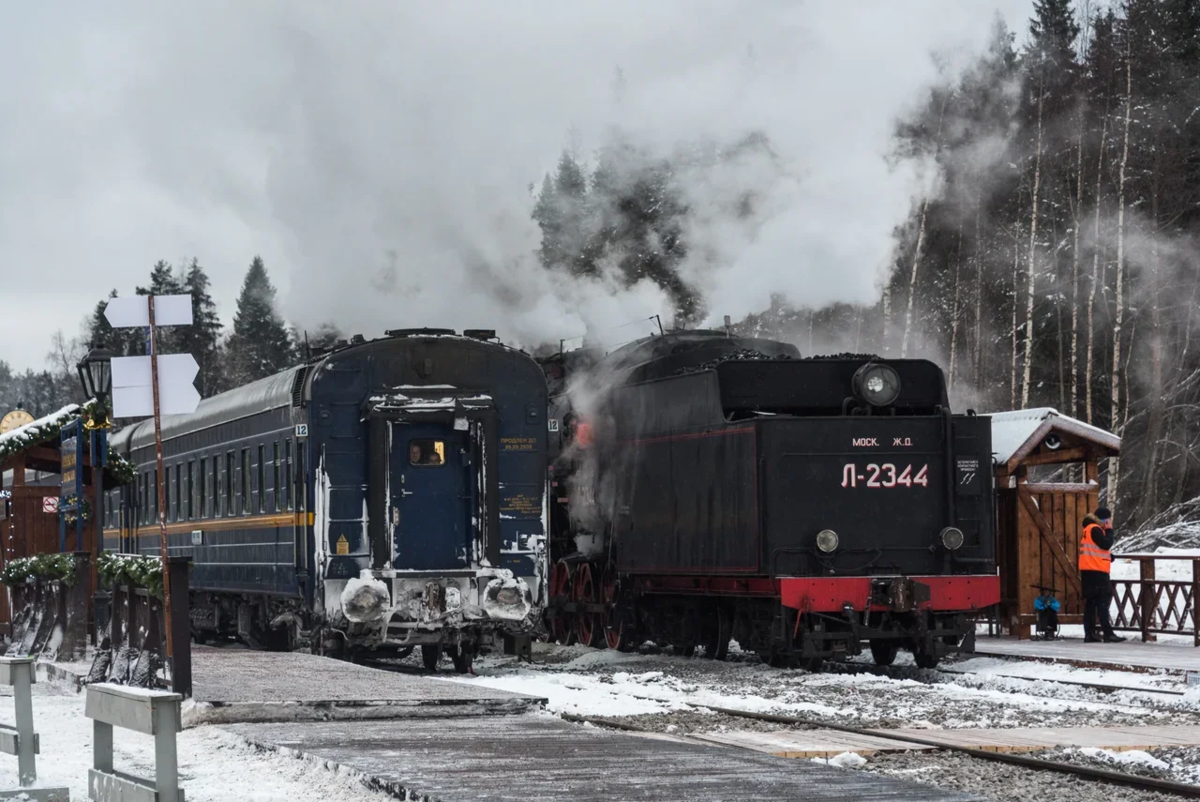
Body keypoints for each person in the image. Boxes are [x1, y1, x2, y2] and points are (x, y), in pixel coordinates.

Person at [1080, 506, 1125, 644]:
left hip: (1088, 570)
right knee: (1102, 603)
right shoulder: (1096, 529)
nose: (1109, 522)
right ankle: (1108, 634)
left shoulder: (1088, 529)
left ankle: (1089, 634)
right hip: (1098, 571)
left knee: (1091, 603)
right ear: (1104, 520)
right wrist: (1110, 531)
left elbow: (1095, 548)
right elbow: (1106, 544)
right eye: (1108, 520)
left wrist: (1107, 556)